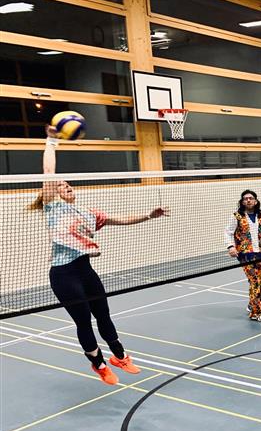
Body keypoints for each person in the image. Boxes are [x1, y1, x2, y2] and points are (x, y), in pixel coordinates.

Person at [30, 125, 168, 385]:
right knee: (84, 321)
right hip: (63, 275)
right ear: (52, 192)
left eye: (67, 184)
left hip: (86, 271)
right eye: (60, 185)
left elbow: (121, 219)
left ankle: (120, 356)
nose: (65, 185)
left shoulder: (88, 213)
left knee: (104, 315)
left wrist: (149, 215)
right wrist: (51, 141)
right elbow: (49, 172)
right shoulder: (52, 208)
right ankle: (99, 364)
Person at [225, 189, 261, 322]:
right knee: (254, 281)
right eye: (245, 198)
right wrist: (230, 247)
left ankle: (252, 303)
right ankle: (256, 312)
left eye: (250, 198)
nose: (248, 200)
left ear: (255, 201)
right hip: (245, 254)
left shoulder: (260, 216)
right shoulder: (236, 216)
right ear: (242, 202)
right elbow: (228, 232)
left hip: (260, 253)